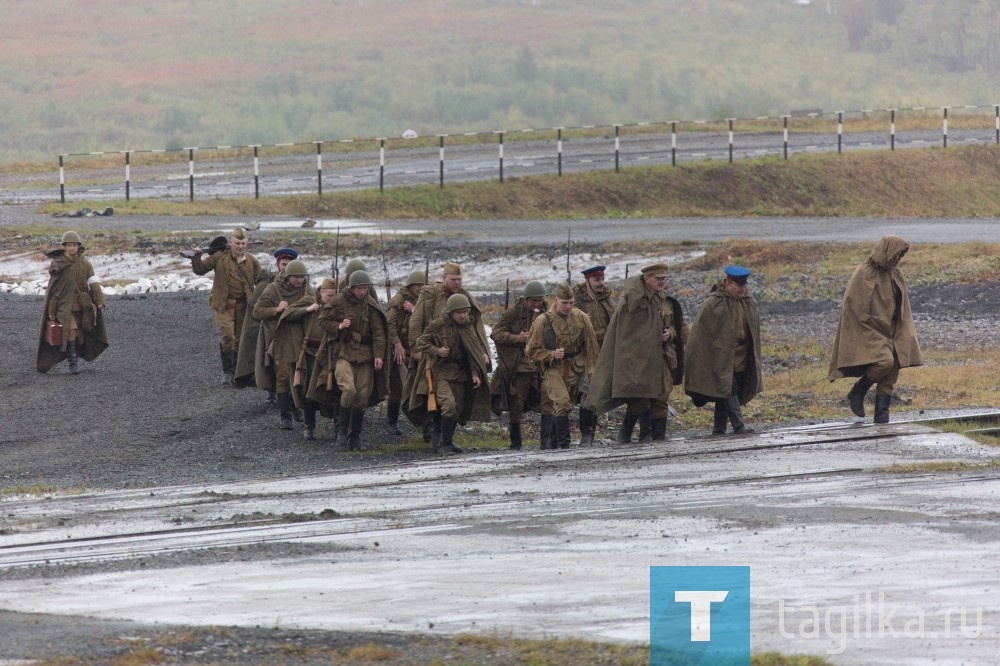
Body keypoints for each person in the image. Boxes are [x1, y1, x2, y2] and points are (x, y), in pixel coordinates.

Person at [583, 262, 685, 444]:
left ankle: (657, 437)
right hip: (637, 360)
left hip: (660, 357)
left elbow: (671, 325)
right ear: (647, 279)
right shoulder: (632, 302)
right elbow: (625, 336)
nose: (662, 282)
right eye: (657, 279)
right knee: (640, 397)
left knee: (662, 396)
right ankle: (627, 433)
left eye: (663, 279)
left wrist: (670, 334)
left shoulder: (661, 299)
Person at [829, 235, 922, 424]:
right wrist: (870, 326)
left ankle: (882, 417)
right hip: (870, 329)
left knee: (892, 370)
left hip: (893, 330)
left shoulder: (895, 273)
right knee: (884, 362)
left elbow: (901, 304)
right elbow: (853, 307)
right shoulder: (864, 273)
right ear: (887, 251)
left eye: (900, 256)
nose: (898, 259)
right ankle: (859, 390)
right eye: (896, 255)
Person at [408, 261, 490, 446]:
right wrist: (416, 349)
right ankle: (435, 435)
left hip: (460, 359)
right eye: (453, 279)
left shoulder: (463, 299)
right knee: (428, 394)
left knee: (458, 401)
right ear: (444, 278)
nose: (457, 283)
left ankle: (446, 440)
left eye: (460, 279)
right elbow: (416, 321)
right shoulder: (431, 295)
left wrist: (482, 352)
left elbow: (475, 329)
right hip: (433, 354)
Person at [308, 270, 389, 450]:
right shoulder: (338, 300)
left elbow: (379, 333)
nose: (362, 292)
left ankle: (355, 438)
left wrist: (378, 355)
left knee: (361, 396)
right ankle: (341, 435)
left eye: (365, 288)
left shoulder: (370, 304)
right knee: (349, 389)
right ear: (351, 288)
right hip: (343, 352)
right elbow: (322, 321)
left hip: (366, 355)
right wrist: (339, 325)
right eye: (359, 288)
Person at [684, 266, 763, 435]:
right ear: (728, 282)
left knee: (726, 392)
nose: (742, 290)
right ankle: (739, 426)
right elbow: (700, 335)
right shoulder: (713, 303)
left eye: (744, 286)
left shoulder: (749, 301)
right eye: (738, 286)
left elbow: (754, 331)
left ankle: (718, 429)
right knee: (729, 387)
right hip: (720, 357)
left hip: (742, 356)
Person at [526, 283, 600, 450]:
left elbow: (592, 349)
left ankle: (552, 444)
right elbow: (531, 351)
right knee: (563, 402)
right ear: (556, 300)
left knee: (565, 406)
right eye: (564, 303)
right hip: (553, 369)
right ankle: (564, 445)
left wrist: (592, 373)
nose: (568, 307)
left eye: (571, 303)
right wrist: (551, 354)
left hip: (575, 368)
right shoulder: (543, 321)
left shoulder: (581, 318)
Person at [189, 228, 263, 384]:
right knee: (228, 336)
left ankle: (239, 371)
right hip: (223, 305)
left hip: (243, 306)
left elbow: (262, 279)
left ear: (246, 243)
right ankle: (227, 371)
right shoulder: (219, 257)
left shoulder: (251, 261)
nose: (240, 246)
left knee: (241, 339)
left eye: (243, 243)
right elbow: (201, 270)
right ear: (231, 242)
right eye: (237, 243)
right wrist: (196, 257)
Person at [36, 231, 108, 374]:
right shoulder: (59, 265)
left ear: (78, 246)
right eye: (69, 245)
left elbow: (93, 283)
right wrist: (51, 311)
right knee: (70, 331)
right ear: (65, 247)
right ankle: (73, 364)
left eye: (74, 245)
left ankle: (74, 356)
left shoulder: (85, 264)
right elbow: (54, 291)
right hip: (63, 306)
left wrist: (99, 300)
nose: (71, 248)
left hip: (82, 306)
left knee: (79, 336)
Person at [253, 259, 310, 430]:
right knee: (283, 376)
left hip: (301, 338)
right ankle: (285, 415)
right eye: (296, 277)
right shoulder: (273, 289)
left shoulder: (306, 289)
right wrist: (276, 309)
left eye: (302, 277)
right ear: (287, 276)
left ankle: (296, 407)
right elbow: (257, 311)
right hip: (280, 339)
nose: (299, 281)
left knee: (300, 375)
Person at [490, 280, 546, 450]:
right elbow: (496, 334)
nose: (537, 304)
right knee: (517, 403)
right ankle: (516, 443)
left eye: (539, 300)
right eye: (533, 301)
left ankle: (547, 441)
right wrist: (517, 338)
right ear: (526, 299)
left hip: (539, 362)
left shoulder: (545, 312)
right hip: (520, 364)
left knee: (547, 399)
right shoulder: (512, 313)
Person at [234, 247, 298, 395]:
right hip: (271, 329)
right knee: (270, 362)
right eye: (283, 265)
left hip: (292, 330)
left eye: (289, 265)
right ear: (277, 264)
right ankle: (273, 392)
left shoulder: (299, 283)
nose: (286, 268)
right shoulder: (268, 283)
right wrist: (275, 310)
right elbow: (254, 307)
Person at [287, 277, 339, 441]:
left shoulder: (338, 306)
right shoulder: (309, 301)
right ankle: (309, 427)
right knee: (308, 393)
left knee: (334, 391)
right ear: (321, 292)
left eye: (334, 295)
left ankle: (339, 429)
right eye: (328, 295)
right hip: (309, 355)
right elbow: (288, 314)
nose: (331, 298)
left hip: (330, 355)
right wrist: (307, 309)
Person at [573, 265, 618, 445]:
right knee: (588, 392)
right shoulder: (576, 302)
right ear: (587, 281)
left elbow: (617, 321)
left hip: (605, 353)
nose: (601, 283)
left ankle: (590, 433)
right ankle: (586, 434)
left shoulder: (607, 300)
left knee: (599, 392)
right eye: (596, 280)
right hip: (584, 354)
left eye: (602, 279)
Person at [385, 270, 426, 436]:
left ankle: (424, 422)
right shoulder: (398, 301)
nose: (420, 288)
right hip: (400, 348)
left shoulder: (424, 301)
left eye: (423, 285)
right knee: (398, 387)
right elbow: (390, 324)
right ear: (410, 286)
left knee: (422, 385)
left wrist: (415, 310)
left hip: (417, 348)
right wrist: (396, 344)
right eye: (417, 285)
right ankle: (392, 422)